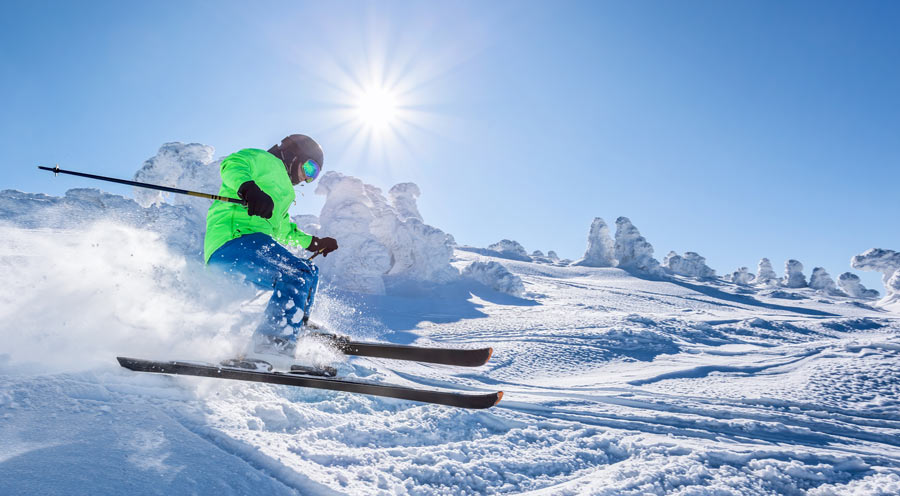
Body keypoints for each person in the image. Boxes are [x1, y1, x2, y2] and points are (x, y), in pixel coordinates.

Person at [204, 134, 339, 355]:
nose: (307, 178)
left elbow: (283, 228)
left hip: (254, 244)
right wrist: (248, 188)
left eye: (313, 175)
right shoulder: (263, 159)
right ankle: (271, 343)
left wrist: (314, 243)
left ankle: (295, 326)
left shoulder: (285, 191)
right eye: (310, 168)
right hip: (233, 240)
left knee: (309, 271)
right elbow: (233, 164)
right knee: (296, 274)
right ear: (295, 155)